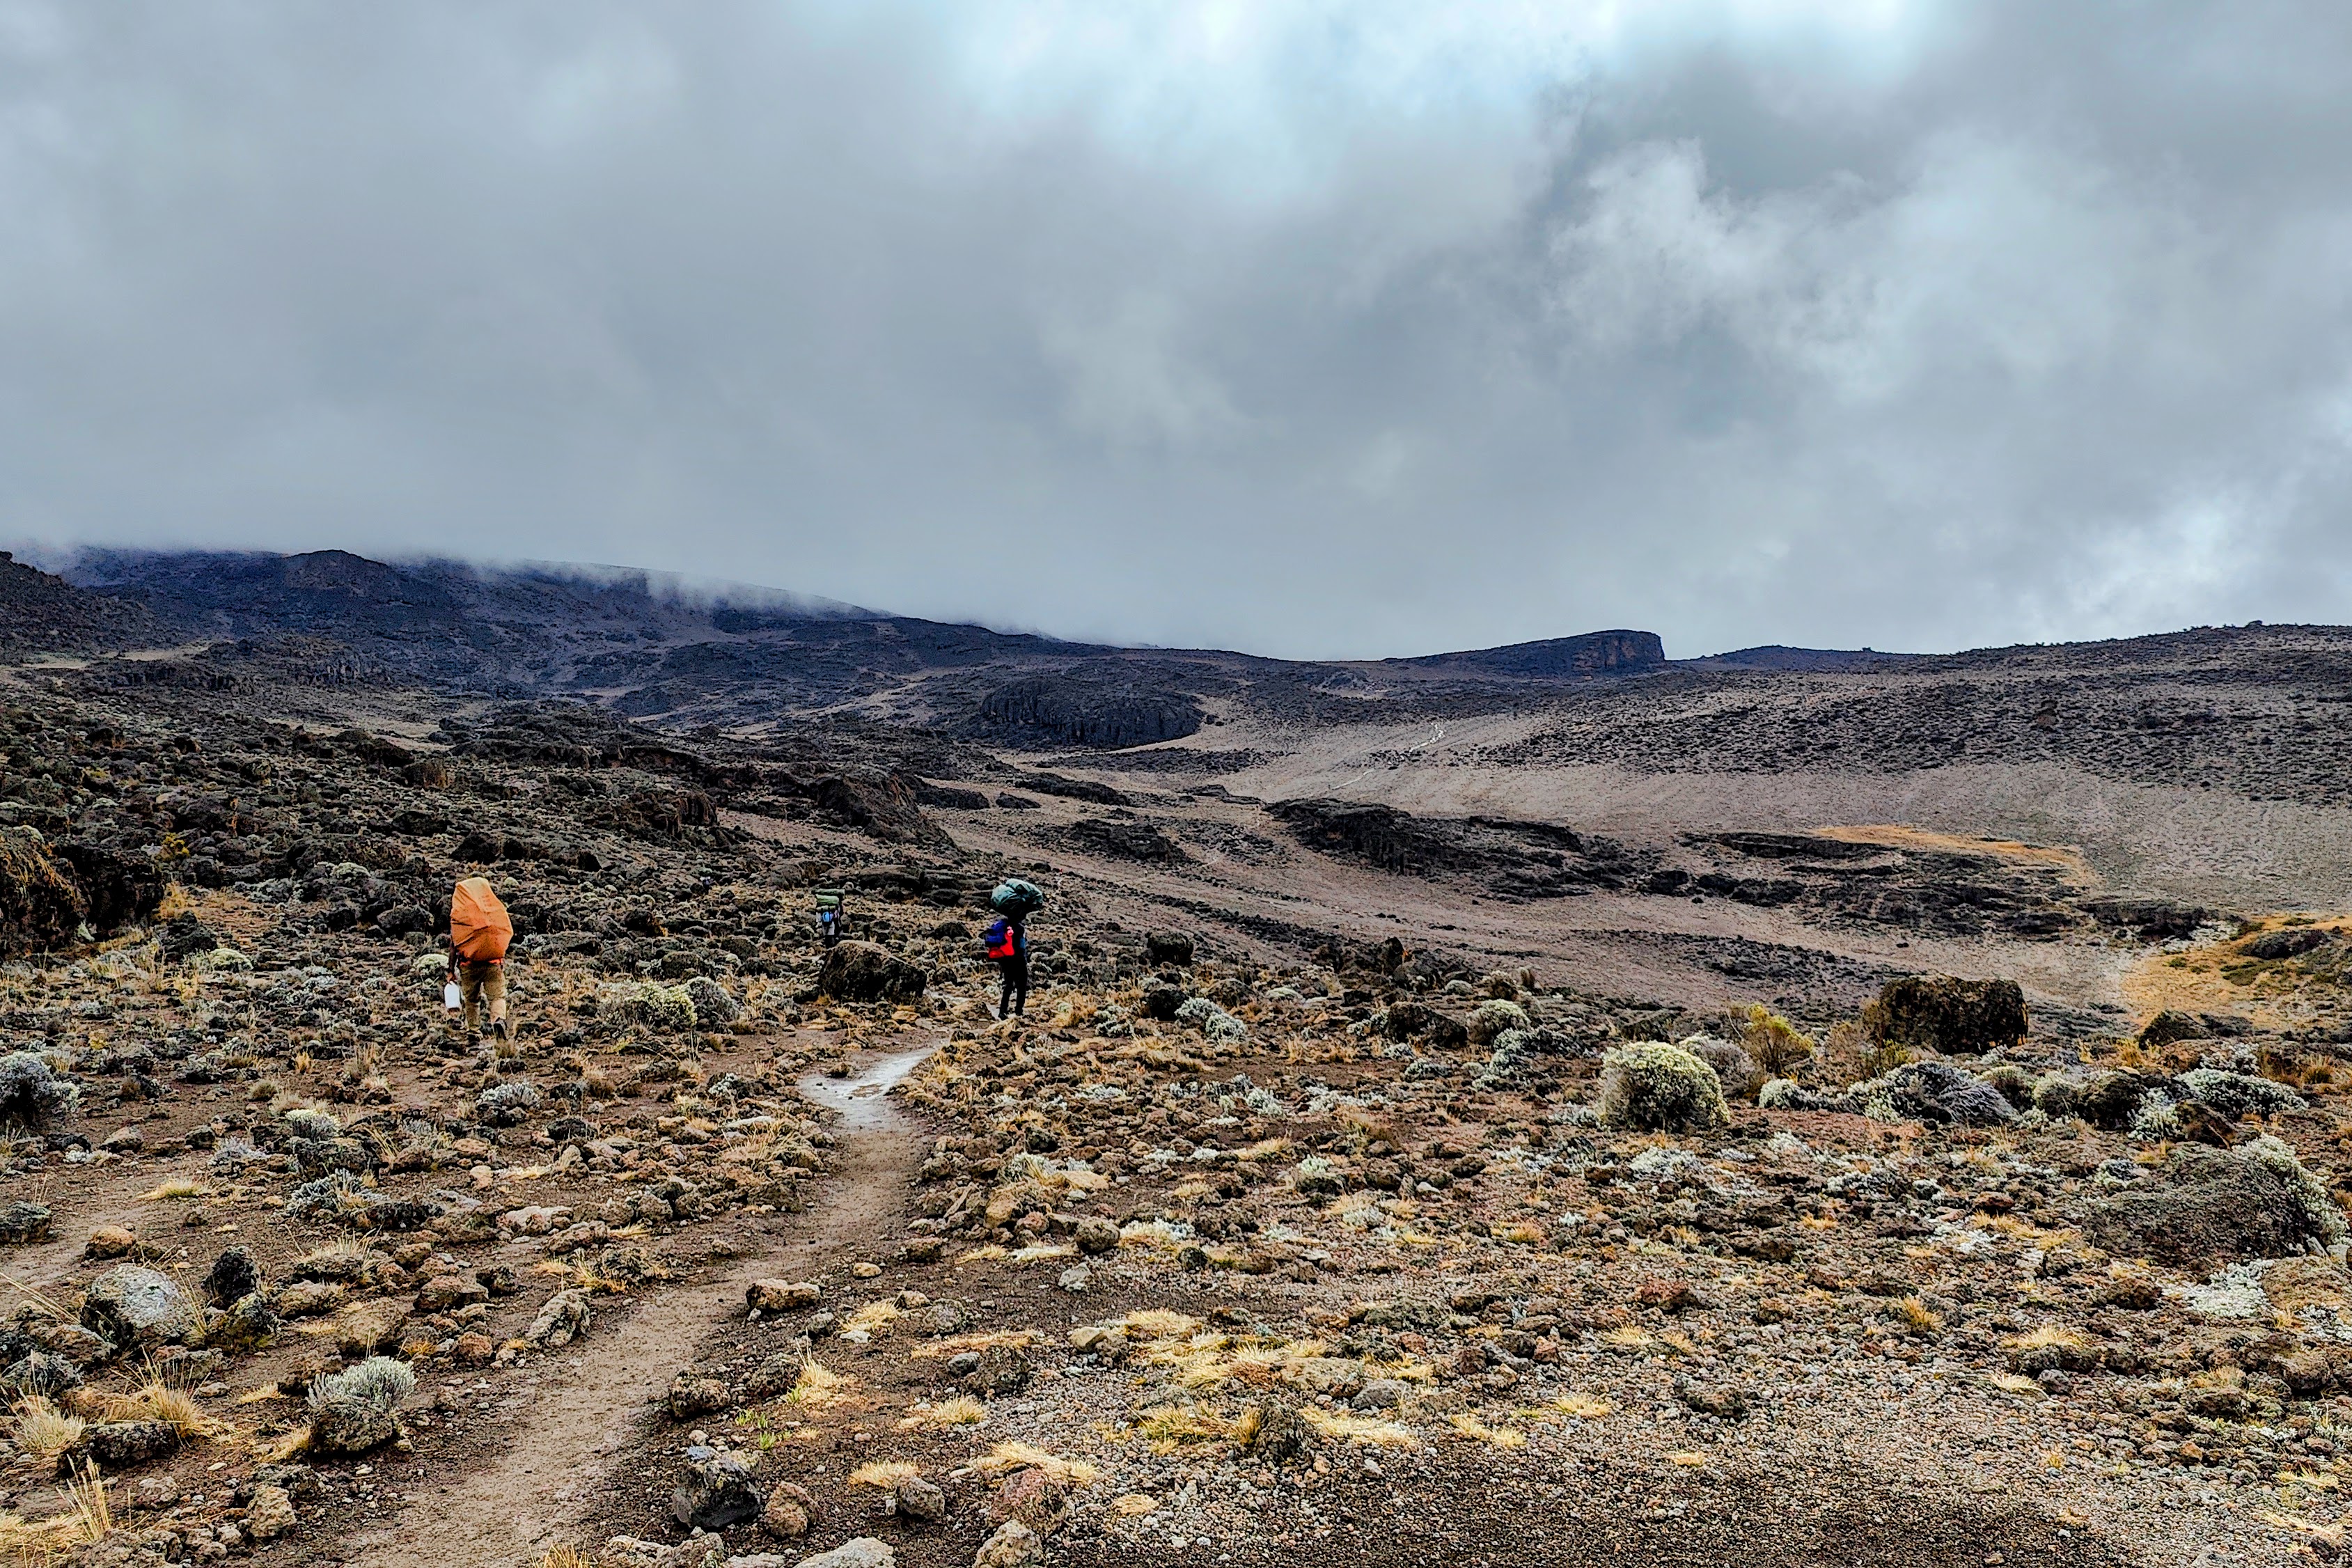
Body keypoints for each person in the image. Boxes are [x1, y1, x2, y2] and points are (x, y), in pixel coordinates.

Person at [447, 874, 513, 1046]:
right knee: (497, 997)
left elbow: (454, 944)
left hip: (468, 965)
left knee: (472, 1000)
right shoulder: (493, 910)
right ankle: (498, 1020)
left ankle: (473, 1033)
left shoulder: (461, 915)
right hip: (493, 963)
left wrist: (450, 970)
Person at [985, 910, 1028, 1019]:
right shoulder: (1020, 928)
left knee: (1008, 985)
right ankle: (1019, 1011)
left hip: (1005, 959)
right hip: (1018, 959)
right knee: (1022, 985)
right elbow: (1022, 946)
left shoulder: (1003, 925)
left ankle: (1003, 1011)